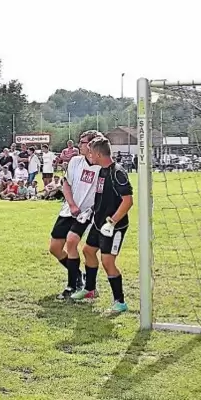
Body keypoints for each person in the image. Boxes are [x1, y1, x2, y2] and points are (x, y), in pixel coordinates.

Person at [71, 136, 133, 313]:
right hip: (99, 222)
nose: (88, 155)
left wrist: (112, 222)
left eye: (90, 152)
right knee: (88, 251)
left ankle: (120, 302)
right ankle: (90, 290)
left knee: (107, 262)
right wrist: (91, 212)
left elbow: (127, 201)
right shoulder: (101, 171)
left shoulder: (117, 172)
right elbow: (101, 197)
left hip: (114, 226)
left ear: (98, 154)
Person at [49, 131, 102, 300]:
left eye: (83, 142)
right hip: (69, 210)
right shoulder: (75, 161)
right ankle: (78, 275)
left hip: (85, 213)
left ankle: (72, 285)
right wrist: (71, 204)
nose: (79, 145)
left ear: (92, 145)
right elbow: (66, 183)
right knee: (55, 248)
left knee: (71, 242)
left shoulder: (102, 167)